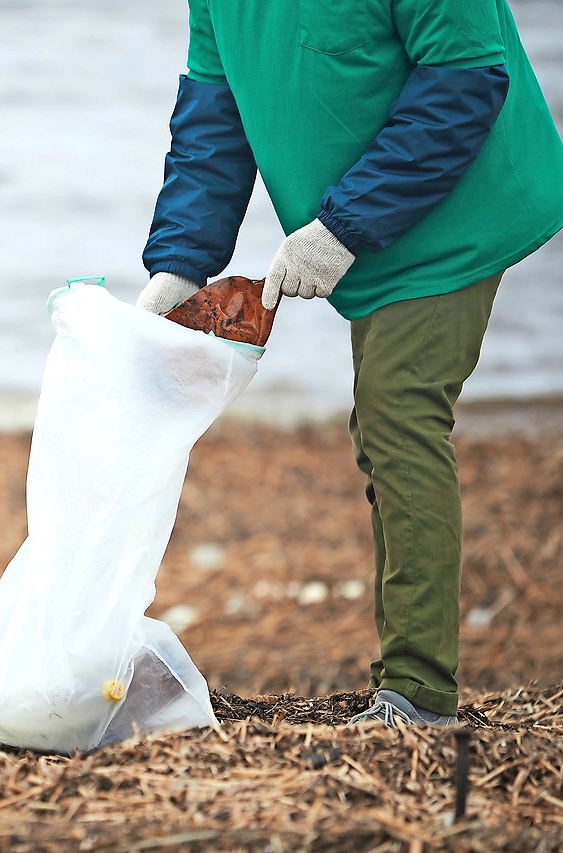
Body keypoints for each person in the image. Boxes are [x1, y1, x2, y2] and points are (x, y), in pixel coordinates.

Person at [137, 2, 563, 726]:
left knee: (397, 414)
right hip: (365, 220)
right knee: (378, 428)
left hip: (462, 213)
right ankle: (411, 682)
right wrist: (179, 261)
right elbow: (216, 116)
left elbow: (464, 79)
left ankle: (418, 694)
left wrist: (341, 228)